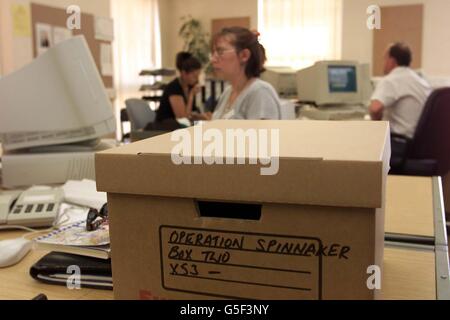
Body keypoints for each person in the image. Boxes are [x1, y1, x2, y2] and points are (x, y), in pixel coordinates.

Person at [210, 27, 282, 120]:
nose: (212, 60)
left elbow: (264, 134)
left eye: (220, 52)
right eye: (212, 53)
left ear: (244, 55)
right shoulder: (228, 92)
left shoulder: (260, 92)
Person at [369, 42, 432, 140]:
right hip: (419, 143)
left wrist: (377, 123)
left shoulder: (390, 80)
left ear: (392, 61)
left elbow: (375, 108)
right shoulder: (421, 81)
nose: (384, 63)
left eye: (385, 59)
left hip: (399, 142)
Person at [153, 52, 211, 130]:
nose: (196, 79)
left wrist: (201, 116)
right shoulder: (174, 88)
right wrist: (191, 95)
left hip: (177, 128)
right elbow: (183, 119)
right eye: (194, 76)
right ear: (184, 73)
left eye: (197, 76)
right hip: (164, 129)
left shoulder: (189, 87)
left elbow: (189, 114)